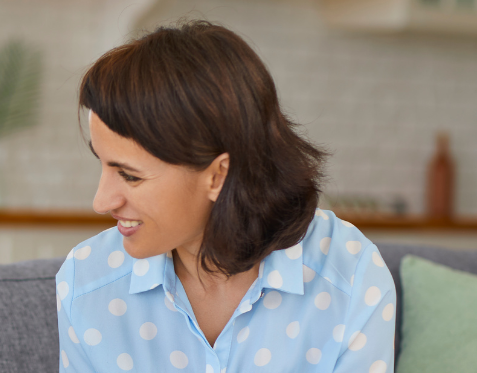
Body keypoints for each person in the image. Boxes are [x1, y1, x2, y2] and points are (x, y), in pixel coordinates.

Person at [56, 21, 395, 372]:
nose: (101, 201)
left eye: (129, 175)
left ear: (218, 175)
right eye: (104, 165)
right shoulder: (85, 284)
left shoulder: (352, 276)